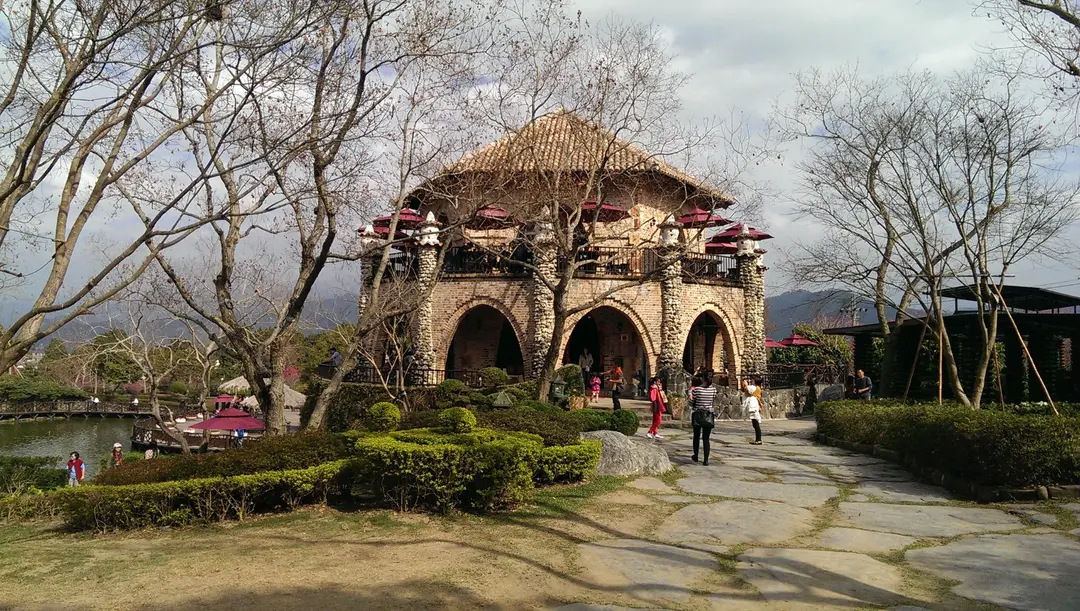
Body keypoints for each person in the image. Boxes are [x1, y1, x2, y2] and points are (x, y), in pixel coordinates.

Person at [690, 374, 717, 465]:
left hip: (698, 414)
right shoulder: (713, 390)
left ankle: (696, 455)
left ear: (703, 379)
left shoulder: (697, 389)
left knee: (696, 436)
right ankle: (706, 459)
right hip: (708, 415)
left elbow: (691, 402)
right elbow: (713, 401)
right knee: (706, 438)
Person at [742, 377, 763, 445]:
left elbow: (746, 389)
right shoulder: (757, 388)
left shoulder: (753, 387)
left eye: (752, 380)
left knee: (755, 423)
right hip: (754, 405)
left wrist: (745, 383)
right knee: (755, 423)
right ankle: (758, 439)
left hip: (753, 406)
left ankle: (758, 440)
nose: (751, 381)